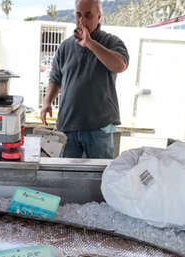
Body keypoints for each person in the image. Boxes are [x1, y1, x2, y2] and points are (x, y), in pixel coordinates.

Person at [40, 0, 128, 159]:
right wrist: (47, 102)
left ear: (99, 16)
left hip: (99, 128)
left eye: (88, 15)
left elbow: (120, 65)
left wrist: (90, 43)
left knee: (100, 178)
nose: (82, 21)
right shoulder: (65, 46)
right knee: (65, 177)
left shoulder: (111, 42)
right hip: (68, 126)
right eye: (78, 15)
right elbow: (55, 77)